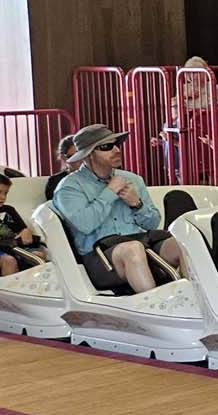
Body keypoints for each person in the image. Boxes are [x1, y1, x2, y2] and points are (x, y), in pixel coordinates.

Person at [50, 124, 183, 293]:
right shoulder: (69, 187)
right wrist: (110, 192)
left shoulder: (133, 179)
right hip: (99, 255)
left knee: (182, 244)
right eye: (106, 147)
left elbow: (153, 223)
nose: (116, 150)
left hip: (142, 242)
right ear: (88, 155)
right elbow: (85, 225)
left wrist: (137, 204)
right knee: (132, 250)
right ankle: (154, 305)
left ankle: (199, 302)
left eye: (116, 144)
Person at [0, 172, 40, 275]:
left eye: (5, 193)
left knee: (38, 256)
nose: (3, 197)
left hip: (14, 247)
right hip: (4, 251)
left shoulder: (9, 210)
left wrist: (25, 234)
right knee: (9, 261)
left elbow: (25, 232)